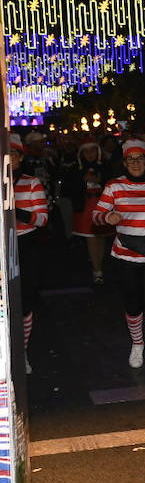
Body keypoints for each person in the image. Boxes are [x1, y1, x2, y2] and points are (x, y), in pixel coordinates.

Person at [94, 139, 145, 372]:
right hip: (125, 254)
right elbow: (97, 214)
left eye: (140, 158)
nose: (136, 163)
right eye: (131, 159)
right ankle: (138, 345)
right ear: (124, 162)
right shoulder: (114, 186)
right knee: (133, 304)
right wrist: (107, 218)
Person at [11, 135, 49, 374]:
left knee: (25, 302)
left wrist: (15, 212)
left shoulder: (31, 182)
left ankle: (21, 352)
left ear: (21, 158)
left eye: (14, 154)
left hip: (25, 246)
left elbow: (43, 219)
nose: (9, 158)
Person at [63, 141, 113, 285]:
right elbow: (67, 188)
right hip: (85, 206)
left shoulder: (105, 166)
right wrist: (82, 181)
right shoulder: (76, 169)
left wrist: (100, 180)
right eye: (87, 152)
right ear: (82, 154)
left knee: (101, 236)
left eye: (93, 151)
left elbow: (113, 184)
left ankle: (98, 265)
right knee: (91, 237)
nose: (90, 154)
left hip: (102, 204)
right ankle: (97, 270)